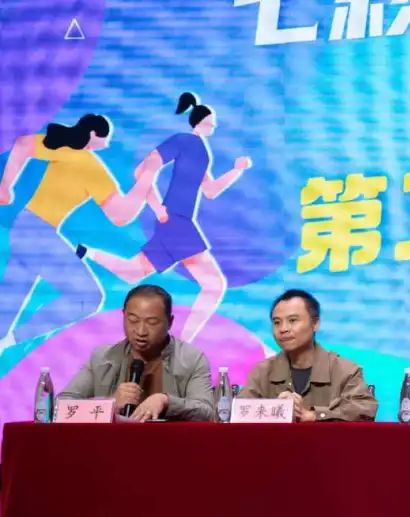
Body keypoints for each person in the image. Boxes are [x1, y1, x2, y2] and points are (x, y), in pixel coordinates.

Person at [81, 92, 252, 343]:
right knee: (214, 285)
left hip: (175, 222)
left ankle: (85, 251)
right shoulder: (183, 140)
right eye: (211, 121)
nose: (214, 126)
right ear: (201, 121)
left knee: (132, 272)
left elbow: (211, 190)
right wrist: (156, 206)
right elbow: (143, 169)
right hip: (176, 221)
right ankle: (183, 343)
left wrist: (237, 171)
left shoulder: (202, 152)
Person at [0, 114, 155, 351]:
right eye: (105, 137)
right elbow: (121, 215)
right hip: (39, 235)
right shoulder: (89, 164)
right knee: (87, 297)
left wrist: (5, 185)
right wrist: (147, 179)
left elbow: (22, 144)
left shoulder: (65, 150)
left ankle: (4, 340)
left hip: (24, 228)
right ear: (93, 134)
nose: (107, 144)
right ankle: (11, 340)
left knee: (8, 303)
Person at [58, 284, 214, 421]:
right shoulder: (102, 358)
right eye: (133, 320)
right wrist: (109, 403)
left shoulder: (191, 359)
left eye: (152, 322)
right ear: (123, 316)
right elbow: (62, 406)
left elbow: (207, 412)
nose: (140, 331)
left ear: (170, 322)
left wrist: (166, 401)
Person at [239, 289, 377, 421]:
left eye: (292, 320)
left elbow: (365, 410)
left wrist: (313, 416)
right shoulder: (262, 372)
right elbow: (238, 413)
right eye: (277, 322)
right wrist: (275, 409)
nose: (283, 329)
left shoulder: (345, 371)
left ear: (315, 323)